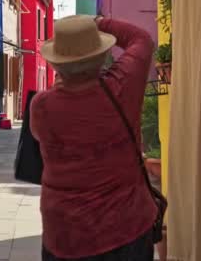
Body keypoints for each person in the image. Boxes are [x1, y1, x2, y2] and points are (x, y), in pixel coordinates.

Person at [30, 15, 157, 260]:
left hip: (65, 235)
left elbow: (39, 137)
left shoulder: (41, 107)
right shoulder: (123, 85)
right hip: (126, 228)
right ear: (101, 56)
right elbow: (141, 39)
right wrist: (97, 23)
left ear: (57, 65)